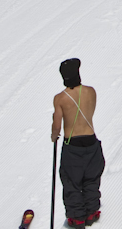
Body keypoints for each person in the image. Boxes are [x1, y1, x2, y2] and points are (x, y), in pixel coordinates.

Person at [51, 57, 105, 228]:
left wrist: (54, 136)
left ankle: (77, 218)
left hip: (72, 146)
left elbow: (57, 126)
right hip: (91, 142)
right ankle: (92, 212)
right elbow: (90, 111)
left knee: (71, 181)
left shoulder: (60, 98)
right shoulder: (91, 92)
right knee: (91, 179)